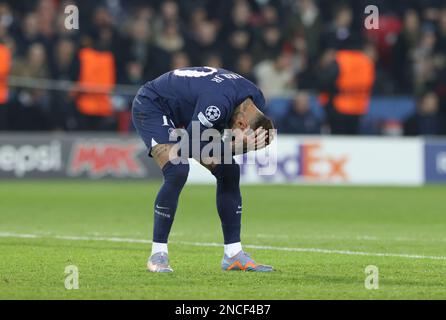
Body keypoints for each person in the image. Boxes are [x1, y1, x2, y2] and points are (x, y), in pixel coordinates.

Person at [132, 66, 275, 273]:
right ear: (243, 123)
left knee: (229, 170)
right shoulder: (216, 105)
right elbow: (191, 146)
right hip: (154, 105)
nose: (231, 133)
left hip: (188, 110)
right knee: (177, 168)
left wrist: (250, 142)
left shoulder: (256, 101)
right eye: (236, 132)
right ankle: (158, 254)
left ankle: (234, 255)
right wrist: (238, 145)